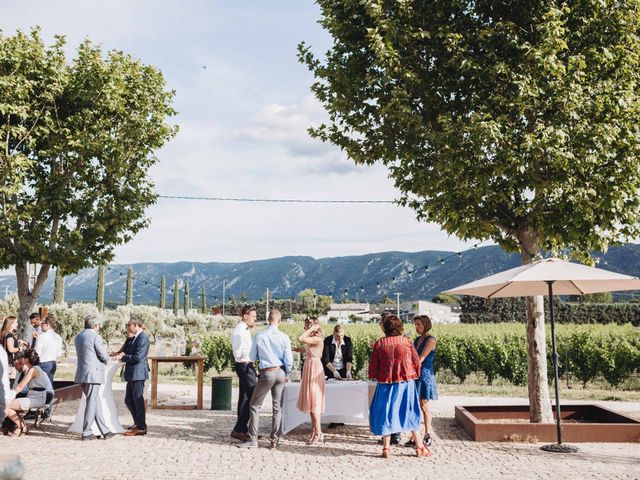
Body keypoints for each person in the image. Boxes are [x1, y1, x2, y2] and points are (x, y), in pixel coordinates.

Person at [368, 314, 428, 458]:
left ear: (385, 328)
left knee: (386, 413)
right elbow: (416, 362)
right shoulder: (406, 342)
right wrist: (414, 375)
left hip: (385, 383)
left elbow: (373, 366)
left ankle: (386, 448)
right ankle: (420, 447)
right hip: (406, 383)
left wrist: (376, 376)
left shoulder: (380, 343)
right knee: (409, 411)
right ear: (399, 327)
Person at [237, 309, 293, 449]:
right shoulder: (284, 337)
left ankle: (253, 439)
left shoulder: (259, 335)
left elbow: (252, 356)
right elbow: (289, 360)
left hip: (267, 372)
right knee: (277, 407)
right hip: (280, 372)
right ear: (280, 321)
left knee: (255, 405)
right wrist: (287, 374)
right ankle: (274, 440)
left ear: (268, 320)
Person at [74, 315, 115, 441]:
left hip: (82, 373)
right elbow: (102, 354)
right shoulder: (95, 337)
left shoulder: (78, 336)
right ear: (95, 325)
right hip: (94, 374)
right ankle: (86, 432)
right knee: (92, 403)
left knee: (95, 401)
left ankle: (105, 431)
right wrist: (108, 358)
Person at [405, 315, 437, 448]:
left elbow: (420, 358)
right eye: (415, 325)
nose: (416, 327)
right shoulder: (417, 339)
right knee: (414, 405)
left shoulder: (430, 340)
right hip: (415, 374)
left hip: (425, 375)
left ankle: (428, 434)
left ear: (425, 325)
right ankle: (415, 436)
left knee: (424, 405)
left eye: (418, 324)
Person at [114, 317, 149, 436]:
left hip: (138, 373)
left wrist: (124, 357)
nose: (128, 327)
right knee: (129, 400)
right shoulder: (134, 338)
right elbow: (127, 351)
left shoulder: (142, 338)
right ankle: (137, 422)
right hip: (132, 374)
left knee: (138, 400)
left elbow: (138, 357)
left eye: (129, 325)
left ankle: (141, 427)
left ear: (136, 325)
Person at [5, 349, 53, 436]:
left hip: (37, 398)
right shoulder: (33, 369)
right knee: (7, 405)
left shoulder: (33, 370)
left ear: (26, 359)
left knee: (5, 404)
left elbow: (20, 386)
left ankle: (21, 426)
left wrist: (10, 395)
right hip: (35, 397)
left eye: (23, 357)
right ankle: (22, 426)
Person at [230, 305, 257, 442]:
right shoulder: (240, 331)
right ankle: (239, 428)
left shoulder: (245, 329)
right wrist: (254, 354)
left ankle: (242, 429)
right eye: (253, 317)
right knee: (253, 396)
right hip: (244, 365)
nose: (255, 319)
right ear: (245, 316)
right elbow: (239, 353)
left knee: (245, 398)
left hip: (246, 365)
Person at [296, 317, 325, 445]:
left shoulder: (318, 339)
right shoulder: (312, 341)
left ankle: (318, 432)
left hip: (315, 371)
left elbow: (300, 338)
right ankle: (314, 431)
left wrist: (312, 328)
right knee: (311, 403)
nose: (305, 328)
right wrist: (301, 350)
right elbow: (312, 350)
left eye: (306, 326)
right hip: (309, 368)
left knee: (315, 404)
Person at [36, 315, 63, 384]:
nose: (40, 326)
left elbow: (37, 352)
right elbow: (59, 353)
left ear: (47, 325)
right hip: (53, 363)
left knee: (41, 385)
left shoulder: (42, 337)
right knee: (49, 384)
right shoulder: (58, 337)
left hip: (43, 363)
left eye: (42, 324)